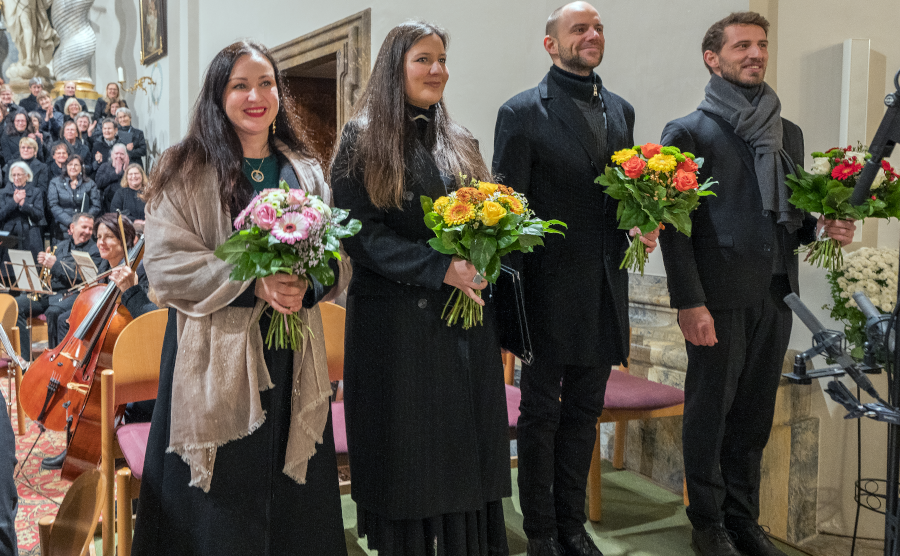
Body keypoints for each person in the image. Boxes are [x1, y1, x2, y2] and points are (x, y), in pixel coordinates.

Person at [131, 39, 350, 556]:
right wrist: (253, 280)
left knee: (291, 492)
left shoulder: (305, 170)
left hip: (293, 348)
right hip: (212, 358)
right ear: (218, 95)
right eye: (240, 85)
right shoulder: (184, 168)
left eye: (267, 83)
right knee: (224, 503)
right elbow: (164, 266)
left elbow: (338, 256)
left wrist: (306, 284)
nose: (256, 95)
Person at [657, 12, 856, 556]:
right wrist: (689, 302)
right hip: (717, 298)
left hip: (775, 293)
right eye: (742, 45)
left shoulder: (785, 131)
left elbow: (788, 220)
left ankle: (742, 518)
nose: (755, 54)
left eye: (761, 45)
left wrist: (824, 226)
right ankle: (707, 523)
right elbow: (676, 229)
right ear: (712, 58)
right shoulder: (689, 131)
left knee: (752, 417)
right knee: (710, 414)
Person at [331, 21, 511, 556]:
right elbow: (357, 232)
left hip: (462, 321)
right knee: (407, 459)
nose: (437, 70)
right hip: (396, 326)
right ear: (395, 67)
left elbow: (484, 217)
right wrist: (440, 267)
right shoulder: (361, 137)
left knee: (463, 450)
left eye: (441, 60)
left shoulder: (460, 140)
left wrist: (487, 253)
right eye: (423, 60)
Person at [492, 4, 658, 555]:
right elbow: (509, 212)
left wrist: (640, 223)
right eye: (578, 29)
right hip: (544, 291)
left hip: (605, 288)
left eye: (597, 28)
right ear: (551, 44)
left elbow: (618, 196)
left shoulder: (621, 110)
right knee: (540, 415)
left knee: (585, 411)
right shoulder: (520, 112)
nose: (591, 36)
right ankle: (541, 529)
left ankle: (572, 525)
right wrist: (509, 302)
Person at [13, 212, 100, 363]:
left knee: (54, 312)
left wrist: (55, 264)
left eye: (90, 229)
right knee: (17, 305)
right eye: (84, 227)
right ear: (72, 228)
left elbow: (87, 278)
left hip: (72, 293)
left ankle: (55, 361)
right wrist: (44, 262)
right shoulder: (59, 247)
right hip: (50, 293)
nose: (87, 232)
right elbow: (48, 274)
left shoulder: (95, 251)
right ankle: (25, 360)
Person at [0, 161, 45, 261]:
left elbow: (39, 215)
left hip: (30, 234)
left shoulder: (36, 192)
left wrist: (24, 205)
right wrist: (14, 202)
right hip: (9, 234)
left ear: (27, 175)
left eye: (19, 174)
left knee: (30, 269)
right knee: (8, 271)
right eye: (14, 175)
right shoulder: (2, 193)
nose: (16, 178)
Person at [48, 154, 101, 238]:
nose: (73, 167)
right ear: (66, 167)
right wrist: (71, 223)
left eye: (76, 165)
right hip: (62, 227)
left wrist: (81, 222)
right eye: (70, 164)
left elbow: (96, 206)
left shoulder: (90, 183)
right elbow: (53, 206)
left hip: (84, 226)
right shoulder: (55, 183)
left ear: (81, 167)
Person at [110, 163, 147, 232]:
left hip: (148, 230)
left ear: (142, 175)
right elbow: (114, 212)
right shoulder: (120, 193)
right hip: (127, 230)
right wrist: (134, 221)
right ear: (126, 177)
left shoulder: (149, 192)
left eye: (136, 173)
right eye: (130, 174)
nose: (133, 176)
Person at [93, 143, 128, 211]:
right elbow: (98, 183)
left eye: (122, 154)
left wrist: (125, 172)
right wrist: (115, 173)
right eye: (116, 153)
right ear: (112, 155)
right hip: (107, 202)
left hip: (125, 202)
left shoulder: (130, 168)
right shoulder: (104, 166)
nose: (119, 156)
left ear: (126, 156)